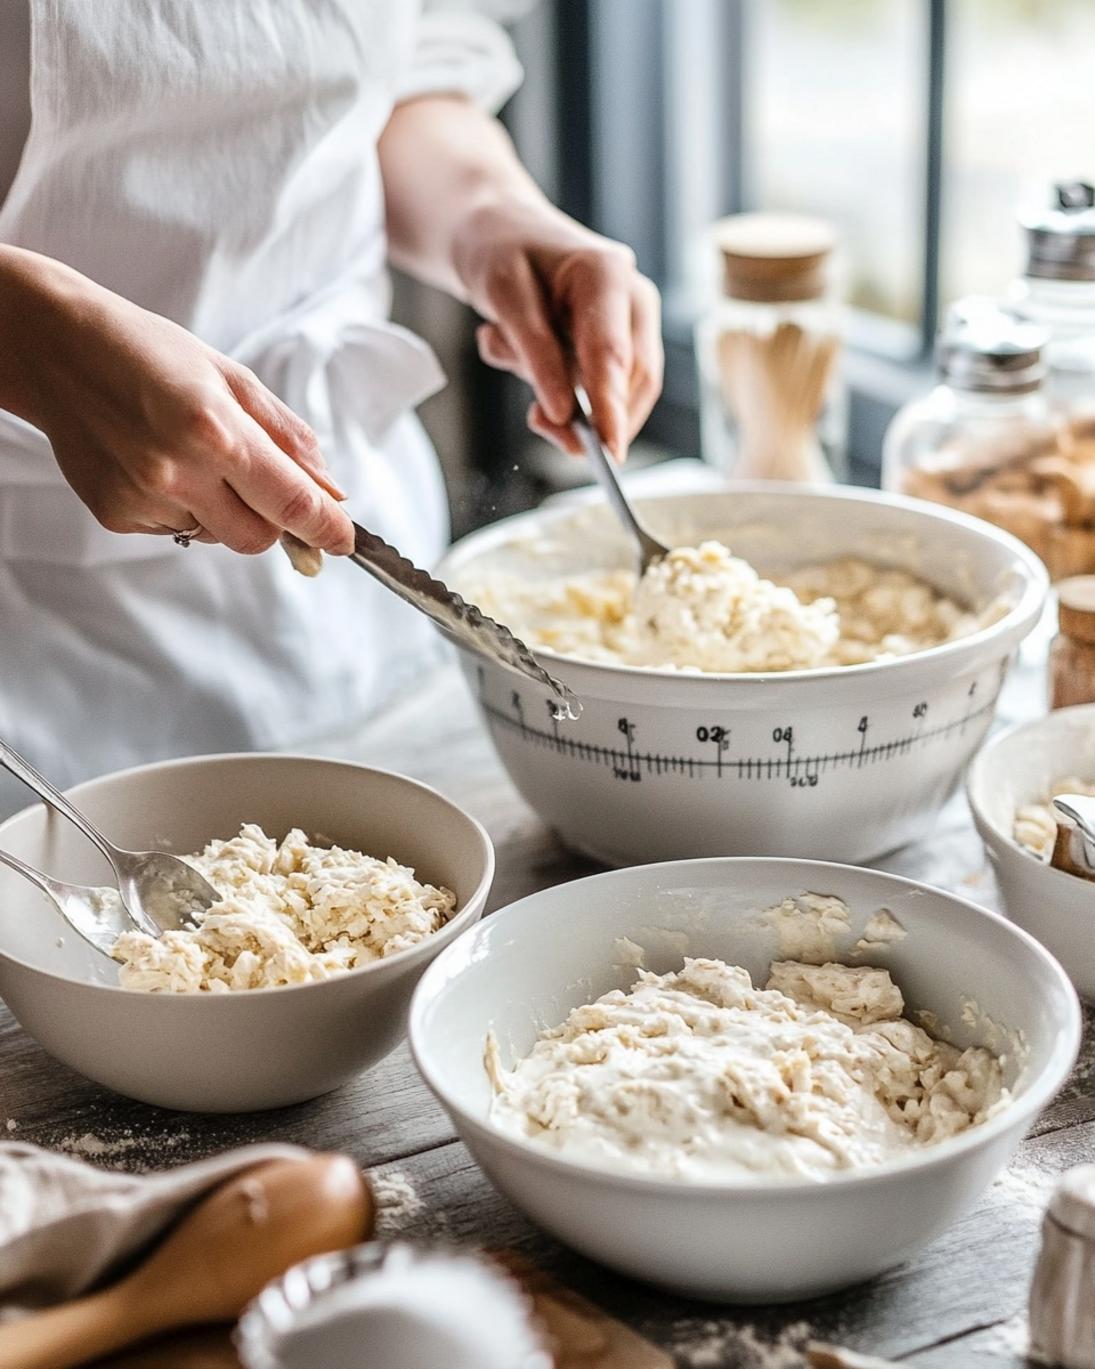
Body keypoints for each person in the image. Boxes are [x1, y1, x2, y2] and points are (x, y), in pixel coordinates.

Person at [0, 1, 663, 816]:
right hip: (26, 631)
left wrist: (488, 215)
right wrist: (33, 336)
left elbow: (390, 62)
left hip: (350, 580)